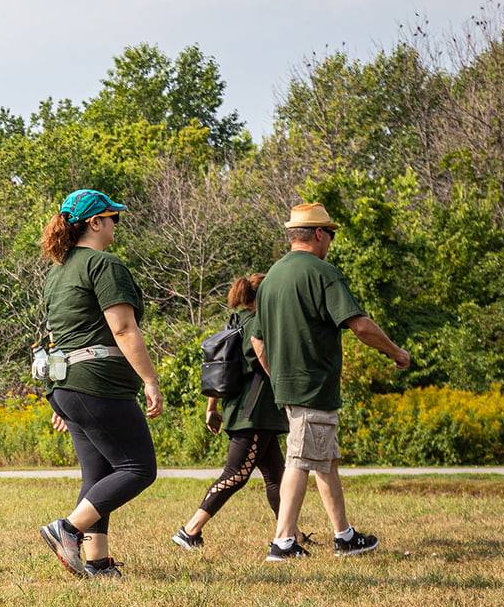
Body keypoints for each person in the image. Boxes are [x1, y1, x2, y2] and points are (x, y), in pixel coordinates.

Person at [253, 201, 412, 563]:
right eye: (332, 234)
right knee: (300, 459)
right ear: (319, 234)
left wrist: (278, 374)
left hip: (288, 386)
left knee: (324, 458)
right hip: (314, 385)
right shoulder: (322, 273)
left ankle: (344, 535)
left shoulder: (272, 277)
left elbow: (257, 340)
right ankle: (283, 543)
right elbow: (359, 324)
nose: (332, 241)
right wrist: (395, 352)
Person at [36, 189, 163, 579]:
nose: (115, 226)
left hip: (66, 385)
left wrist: (65, 400)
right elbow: (123, 328)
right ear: (95, 222)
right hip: (98, 383)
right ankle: (68, 529)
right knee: (138, 468)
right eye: (113, 218)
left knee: (99, 475)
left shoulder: (57, 272)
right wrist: (150, 379)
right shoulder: (104, 265)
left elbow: (57, 336)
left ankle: (98, 563)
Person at [171, 273, 289, 549]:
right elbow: (259, 350)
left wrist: (211, 407)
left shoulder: (235, 322)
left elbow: (219, 366)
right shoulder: (259, 321)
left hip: (241, 407)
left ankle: (288, 533)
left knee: (276, 475)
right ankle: (190, 530)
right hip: (255, 410)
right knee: (236, 474)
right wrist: (280, 383)